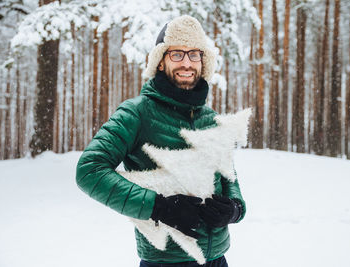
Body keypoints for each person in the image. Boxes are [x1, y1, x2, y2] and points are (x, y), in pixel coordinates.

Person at [76, 15, 246, 267]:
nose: (186, 63)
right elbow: (89, 170)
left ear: (203, 62)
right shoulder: (136, 113)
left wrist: (234, 208)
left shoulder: (211, 118)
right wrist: (159, 207)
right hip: (166, 260)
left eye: (194, 54)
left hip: (217, 259)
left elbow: (227, 176)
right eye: (176, 54)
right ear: (160, 62)